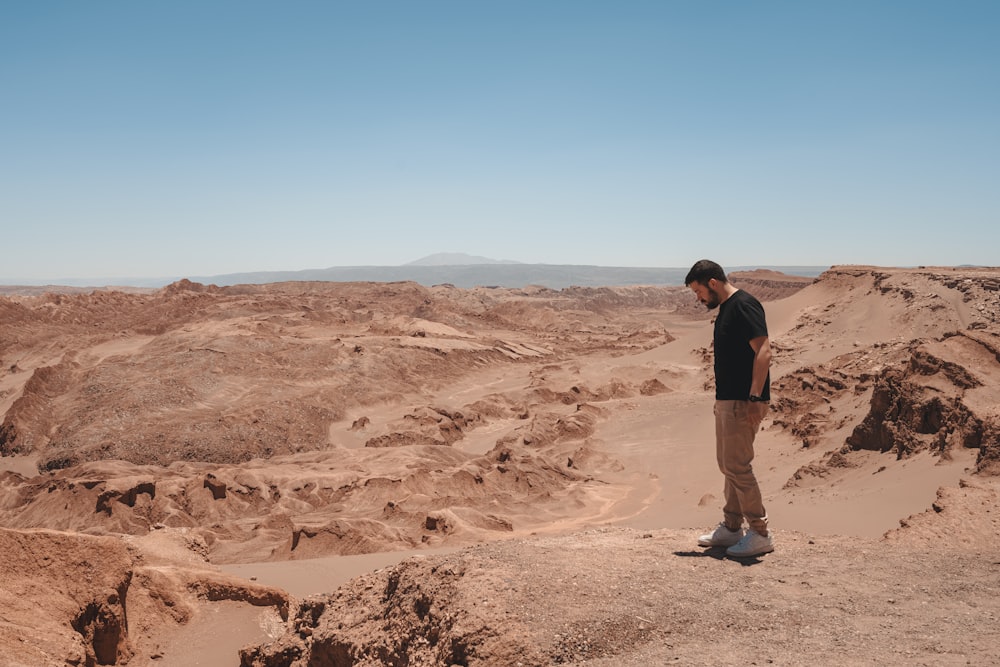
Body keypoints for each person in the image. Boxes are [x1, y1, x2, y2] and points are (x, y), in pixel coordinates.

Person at [685, 259, 774, 557]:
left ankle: (760, 532)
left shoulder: (743, 305)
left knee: (738, 466)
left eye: (698, 292)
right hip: (727, 399)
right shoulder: (727, 308)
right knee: (728, 465)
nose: (698, 299)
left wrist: (754, 397)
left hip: (742, 400)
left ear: (712, 283)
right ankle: (732, 526)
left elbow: (764, 349)